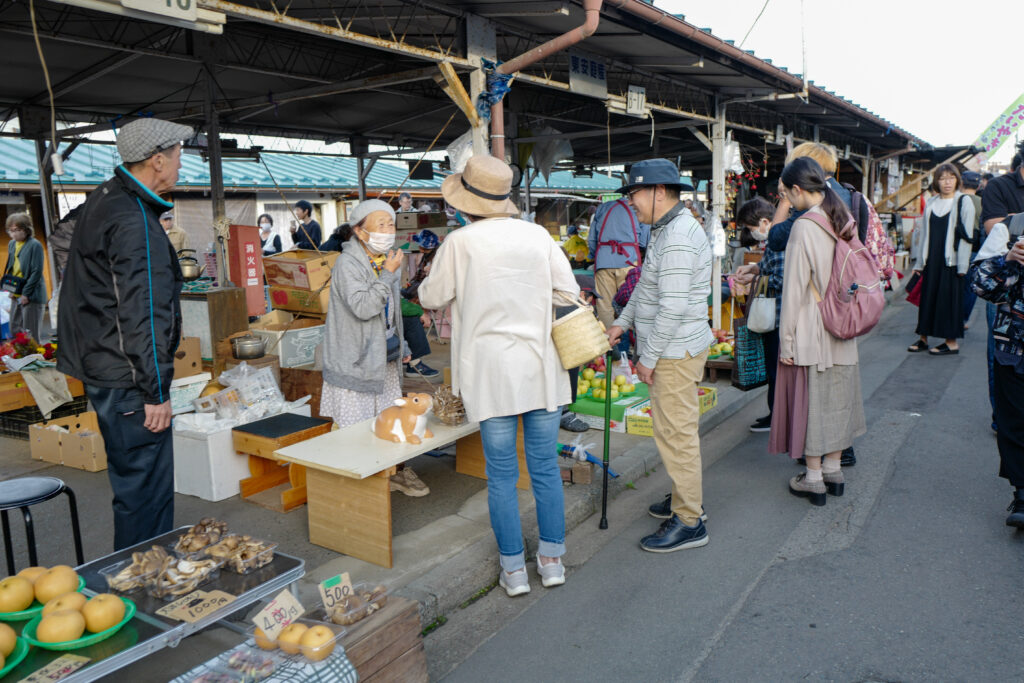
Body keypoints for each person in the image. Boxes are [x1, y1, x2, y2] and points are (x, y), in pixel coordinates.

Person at [419, 155, 579, 596]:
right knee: (545, 470)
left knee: (503, 475)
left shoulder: (461, 242)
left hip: (490, 374)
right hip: (541, 368)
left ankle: (513, 570)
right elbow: (569, 292)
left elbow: (432, 295)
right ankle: (552, 561)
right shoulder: (537, 237)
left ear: (466, 202)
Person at [57, 117, 190, 550]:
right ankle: (144, 590)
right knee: (145, 494)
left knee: (134, 487)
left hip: (103, 365)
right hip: (129, 377)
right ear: (156, 161)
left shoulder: (105, 198)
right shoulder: (134, 220)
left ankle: (137, 581)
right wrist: (156, 391)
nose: (180, 163)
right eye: (177, 154)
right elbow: (143, 312)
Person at [605, 158, 713, 553]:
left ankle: (689, 520)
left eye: (634, 193)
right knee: (674, 430)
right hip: (673, 345)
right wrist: (622, 321)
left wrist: (647, 358)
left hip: (673, 349)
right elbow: (647, 288)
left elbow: (672, 307)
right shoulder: (666, 229)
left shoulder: (679, 236)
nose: (631, 202)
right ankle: (687, 497)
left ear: (659, 192)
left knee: (676, 432)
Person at [769, 157, 866, 507]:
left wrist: (788, 340)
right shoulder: (842, 217)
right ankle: (834, 470)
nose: (788, 202)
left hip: (812, 324)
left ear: (797, 190)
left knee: (811, 402)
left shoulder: (804, 226)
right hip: (843, 322)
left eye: (786, 195)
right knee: (839, 399)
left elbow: (794, 290)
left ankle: (812, 479)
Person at [320, 199, 428, 498]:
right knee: (355, 430)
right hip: (354, 361)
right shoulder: (348, 264)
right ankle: (354, 490)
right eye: (380, 224)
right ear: (360, 231)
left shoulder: (383, 260)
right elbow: (365, 307)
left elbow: (389, 313)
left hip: (383, 358)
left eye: (391, 223)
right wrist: (390, 274)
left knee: (387, 422)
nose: (388, 230)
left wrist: (402, 343)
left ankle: (390, 473)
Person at [972, 226, 1024, 526]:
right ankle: (1023, 494)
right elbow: (980, 285)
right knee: (1015, 423)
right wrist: (1007, 260)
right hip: (1015, 347)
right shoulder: (1010, 228)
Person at [908, 163, 975, 356]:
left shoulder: (963, 202)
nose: (947, 182)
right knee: (927, 299)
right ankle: (923, 338)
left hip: (951, 261)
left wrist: (962, 265)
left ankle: (951, 342)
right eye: (943, 178)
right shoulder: (932, 202)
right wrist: (919, 263)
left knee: (949, 301)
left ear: (957, 180)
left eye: (951, 178)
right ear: (936, 181)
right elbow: (924, 235)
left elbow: (966, 237)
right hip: (932, 260)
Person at [981, 143, 1024, 432]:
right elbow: (992, 226)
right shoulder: (999, 186)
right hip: (1005, 279)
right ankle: (1003, 417)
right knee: (1002, 349)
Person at [732, 197, 779, 433]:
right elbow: (769, 267)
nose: (751, 234)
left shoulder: (779, 238)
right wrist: (753, 268)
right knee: (772, 368)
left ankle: (777, 418)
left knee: (776, 369)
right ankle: (774, 414)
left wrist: (755, 278)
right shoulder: (773, 240)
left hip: (778, 316)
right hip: (773, 316)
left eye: (751, 229)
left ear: (764, 222)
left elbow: (782, 278)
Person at [588, 197, 649, 330]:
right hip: (629, 261)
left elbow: (592, 238)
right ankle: (630, 340)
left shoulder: (603, 208)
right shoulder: (638, 208)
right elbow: (644, 239)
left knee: (604, 305)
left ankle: (611, 344)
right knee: (630, 303)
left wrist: (594, 255)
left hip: (604, 261)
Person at [400, 229, 441, 381]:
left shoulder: (439, 258)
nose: (420, 249)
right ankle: (413, 360)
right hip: (416, 291)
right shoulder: (426, 257)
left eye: (423, 247)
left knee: (412, 316)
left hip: (428, 292)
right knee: (409, 311)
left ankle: (414, 361)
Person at [4, 214, 47, 342]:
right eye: (11, 230)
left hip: (31, 293)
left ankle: (34, 359)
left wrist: (26, 294)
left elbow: (36, 272)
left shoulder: (35, 245)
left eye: (17, 230)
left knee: (30, 333)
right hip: (16, 291)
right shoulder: (12, 244)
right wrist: (11, 289)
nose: (14, 234)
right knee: (14, 328)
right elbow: (12, 267)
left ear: (26, 229)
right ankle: (21, 359)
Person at [960, 172, 984, 329]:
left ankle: (952, 316)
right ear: (979, 186)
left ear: (961, 183)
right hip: (975, 247)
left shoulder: (957, 200)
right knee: (970, 286)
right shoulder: (984, 202)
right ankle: (963, 319)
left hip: (957, 247)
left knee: (955, 285)